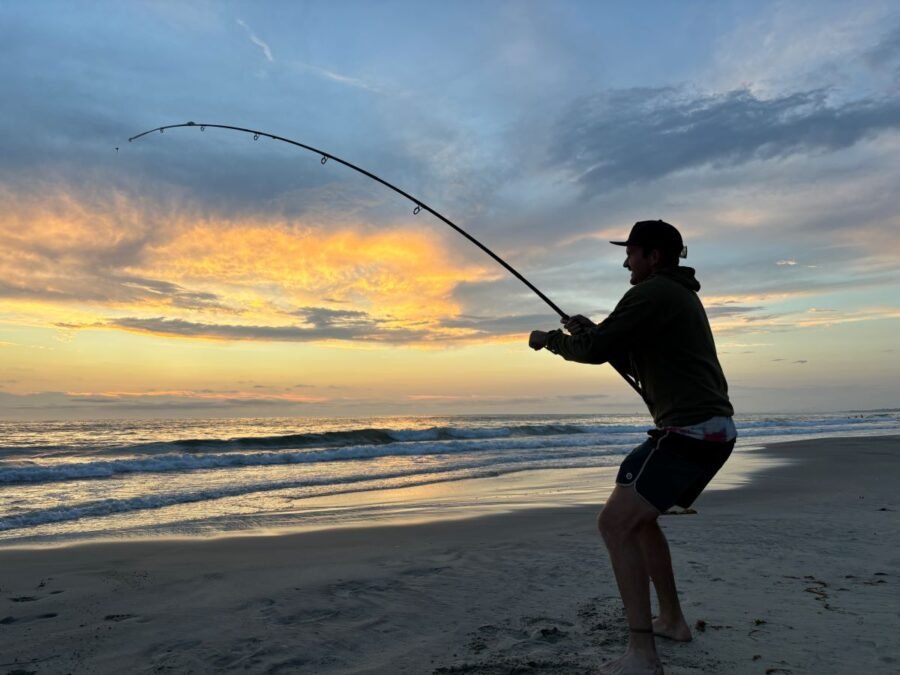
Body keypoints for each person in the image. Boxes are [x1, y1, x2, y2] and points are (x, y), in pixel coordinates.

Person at [529, 220, 736, 675]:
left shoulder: (654, 292)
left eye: (632, 253)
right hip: (707, 430)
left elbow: (598, 349)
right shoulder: (675, 294)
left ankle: (643, 656)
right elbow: (620, 346)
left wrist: (553, 342)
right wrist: (587, 330)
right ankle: (673, 622)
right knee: (639, 521)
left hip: (690, 432)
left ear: (654, 256)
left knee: (614, 524)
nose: (626, 261)